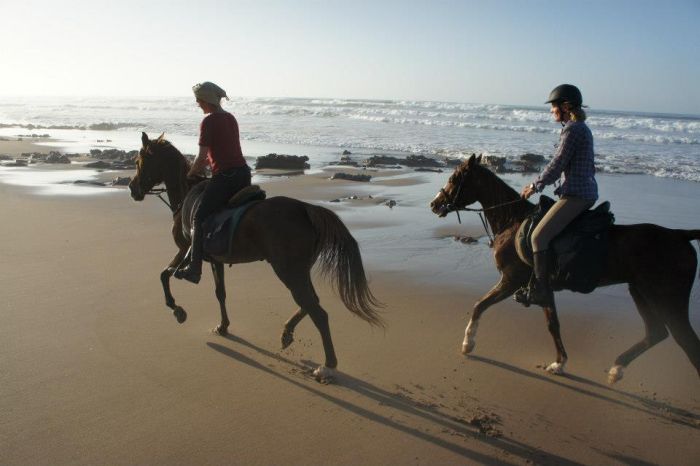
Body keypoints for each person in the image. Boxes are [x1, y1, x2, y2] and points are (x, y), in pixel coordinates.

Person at [517, 84, 598, 307]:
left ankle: (542, 291)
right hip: (580, 191)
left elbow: (557, 163)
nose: (551, 111)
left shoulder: (573, 129)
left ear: (565, 106)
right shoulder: (580, 128)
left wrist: (535, 185)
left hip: (577, 195)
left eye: (553, 106)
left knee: (538, 237)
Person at [175, 81, 251, 284]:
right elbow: (223, 151)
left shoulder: (208, 122)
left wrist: (190, 174)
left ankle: (194, 268)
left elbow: (202, 158)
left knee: (198, 217)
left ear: (206, 100)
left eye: (198, 100)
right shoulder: (230, 118)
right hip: (244, 175)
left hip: (226, 178)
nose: (197, 104)